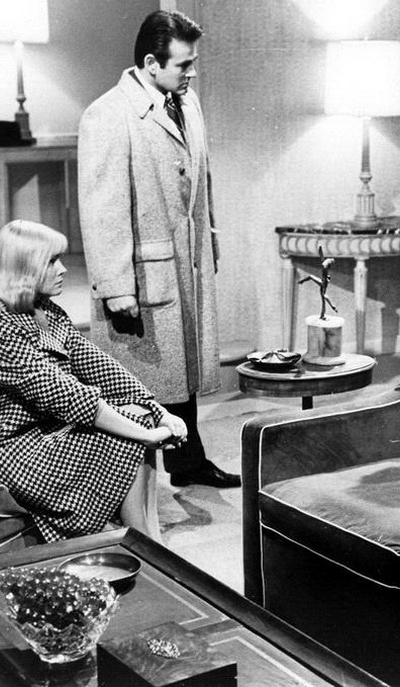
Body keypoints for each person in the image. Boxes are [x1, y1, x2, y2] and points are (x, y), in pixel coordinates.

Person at [78, 9, 239, 488]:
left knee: (180, 371)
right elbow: (102, 209)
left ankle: (188, 464)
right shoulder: (108, 114)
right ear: (151, 63)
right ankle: (124, 488)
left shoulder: (187, 103)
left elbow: (202, 182)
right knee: (139, 379)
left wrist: (209, 242)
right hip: (141, 274)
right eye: (183, 65)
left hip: (185, 261)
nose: (192, 74)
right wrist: (115, 286)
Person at [0, 220, 188, 544]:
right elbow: (68, 397)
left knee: (141, 414)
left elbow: (100, 366)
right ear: (25, 268)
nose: (63, 269)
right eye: (52, 261)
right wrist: (146, 434)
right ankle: (139, 542)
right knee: (134, 431)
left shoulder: (45, 310)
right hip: (5, 449)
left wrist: (158, 411)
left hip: (45, 431)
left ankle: (146, 538)